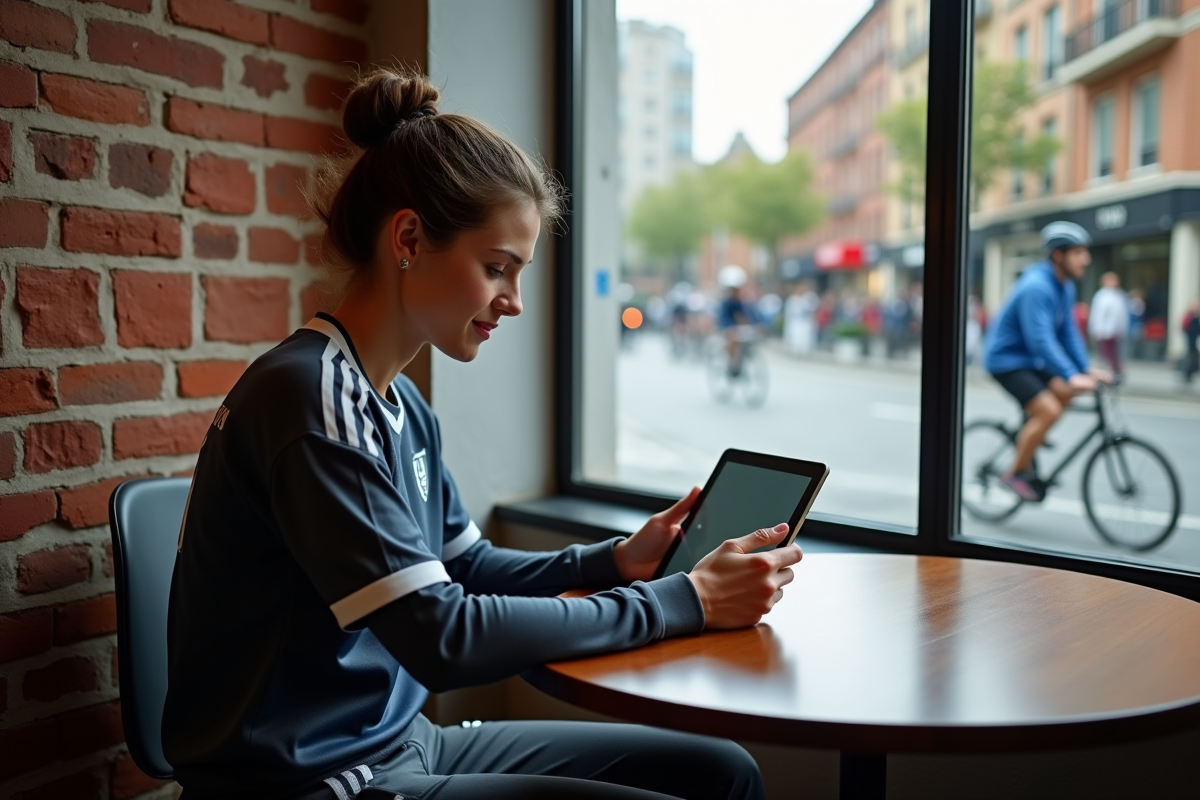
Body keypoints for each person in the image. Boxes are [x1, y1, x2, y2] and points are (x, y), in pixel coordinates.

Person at [163, 69, 795, 800]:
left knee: (721, 771)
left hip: (405, 741)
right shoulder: (312, 401)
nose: (515, 302)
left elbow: (466, 570)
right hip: (313, 779)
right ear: (408, 237)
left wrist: (615, 561)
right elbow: (443, 637)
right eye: (497, 268)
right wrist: (681, 602)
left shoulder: (401, 406)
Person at [983, 221, 1112, 502]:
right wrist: (1069, 372)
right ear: (1058, 256)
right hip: (1007, 361)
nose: (1086, 259)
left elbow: (1068, 333)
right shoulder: (1036, 287)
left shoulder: (1064, 287)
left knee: (1067, 391)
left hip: (1029, 359)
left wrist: (1083, 369)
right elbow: (1040, 340)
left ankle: (1032, 434)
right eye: (1078, 253)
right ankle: (1013, 474)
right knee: (1050, 410)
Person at [716, 264, 762, 376]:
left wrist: (758, 325)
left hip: (742, 329)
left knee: (749, 338)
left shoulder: (743, 302)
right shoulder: (725, 303)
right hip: (730, 328)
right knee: (732, 339)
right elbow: (723, 318)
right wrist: (730, 327)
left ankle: (742, 358)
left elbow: (751, 315)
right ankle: (732, 363)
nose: (735, 291)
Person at [1088, 272, 1130, 378]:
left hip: (1115, 331)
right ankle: (1104, 373)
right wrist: (1094, 328)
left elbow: (1122, 314)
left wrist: (1122, 329)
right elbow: (1096, 314)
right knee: (1104, 353)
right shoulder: (1100, 295)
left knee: (1115, 354)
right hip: (1102, 330)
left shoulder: (1119, 295)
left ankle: (1116, 373)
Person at [782, 282, 818, 356]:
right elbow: (789, 312)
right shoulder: (792, 299)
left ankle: (804, 350)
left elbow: (813, 308)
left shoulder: (808, 298)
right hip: (796, 321)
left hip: (805, 321)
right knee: (796, 335)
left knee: (805, 336)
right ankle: (796, 350)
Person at [1182, 298, 1200, 384]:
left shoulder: (1193, 316)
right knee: (1191, 356)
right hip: (1191, 340)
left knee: (1193, 356)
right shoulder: (1191, 317)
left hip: (1193, 339)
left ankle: (1190, 374)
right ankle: (1187, 374)